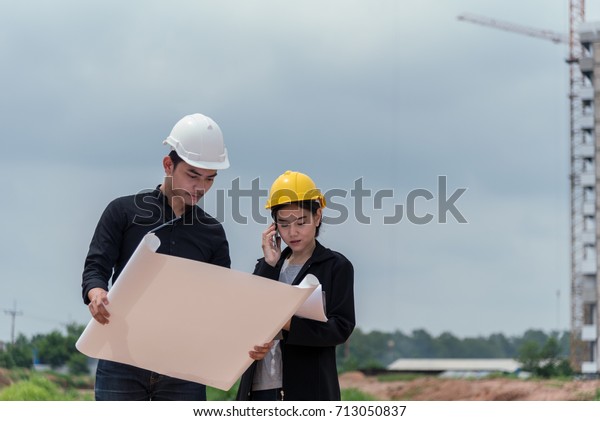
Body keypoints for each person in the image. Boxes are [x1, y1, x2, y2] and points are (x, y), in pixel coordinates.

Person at [81, 113, 271, 401]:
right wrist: (97, 294)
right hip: (122, 359)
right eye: (193, 175)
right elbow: (95, 268)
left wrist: (247, 339)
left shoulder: (212, 233)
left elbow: (220, 301)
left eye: (209, 179)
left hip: (183, 369)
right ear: (168, 165)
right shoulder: (122, 212)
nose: (201, 187)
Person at [236, 170, 356, 401]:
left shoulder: (335, 266)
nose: (293, 232)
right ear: (274, 227)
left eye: (301, 222)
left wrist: (288, 324)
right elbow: (247, 319)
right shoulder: (267, 266)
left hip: (307, 390)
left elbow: (340, 328)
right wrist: (269, 265)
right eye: (284, 224)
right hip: (258, 388)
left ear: (318, 216)